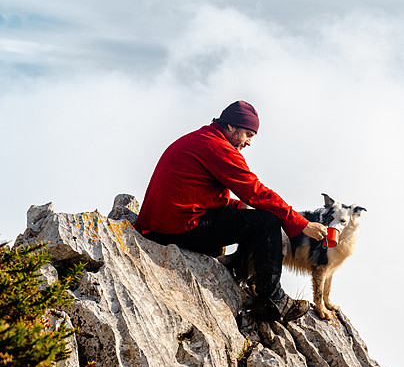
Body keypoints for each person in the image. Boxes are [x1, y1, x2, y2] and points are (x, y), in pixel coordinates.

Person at [134, 100, 327, 322]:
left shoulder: (203, 139)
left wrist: (241, 206)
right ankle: (273, 300)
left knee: (252, 216)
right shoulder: (218, 147)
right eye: (248, 134)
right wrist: (302, 223)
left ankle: (244, 277)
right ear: (231, 127)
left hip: (164, 223)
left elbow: (202, 195)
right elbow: (256, 191)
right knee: (267, 222)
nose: (249, 142)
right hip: (178, 227)